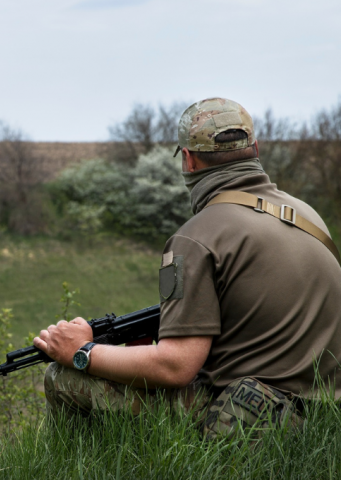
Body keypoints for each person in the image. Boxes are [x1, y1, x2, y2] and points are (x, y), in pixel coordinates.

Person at [32, 98, 341, 437]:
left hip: (255, 418)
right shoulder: (307, 215)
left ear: (189, 160)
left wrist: (82, 352)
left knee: (62, 379)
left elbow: (176, 366)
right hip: (325, 415)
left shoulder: (194, 238)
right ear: (255, 148)